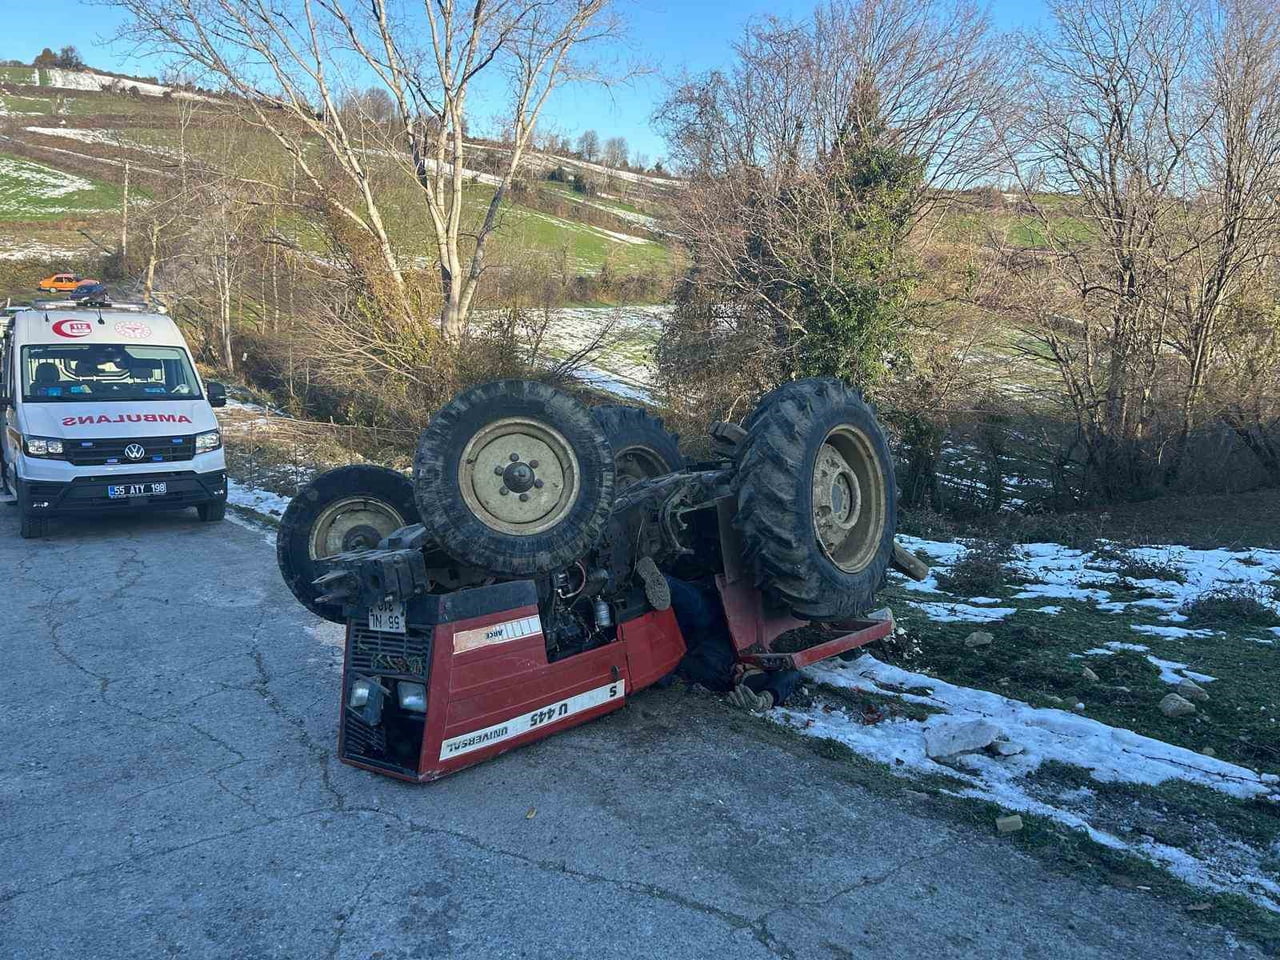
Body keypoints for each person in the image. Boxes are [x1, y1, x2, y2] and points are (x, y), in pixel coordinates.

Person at [664, 575, 801, 711]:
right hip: (715, 618)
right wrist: (769, 697)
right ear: (762, 669)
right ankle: (663, 582)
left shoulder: (717, 680)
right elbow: (791, 675)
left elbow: (681, 666)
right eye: (747, 669)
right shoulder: (762, 655)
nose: (739, 669)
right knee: (696, 606)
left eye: (739, 677)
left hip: (682, 637)